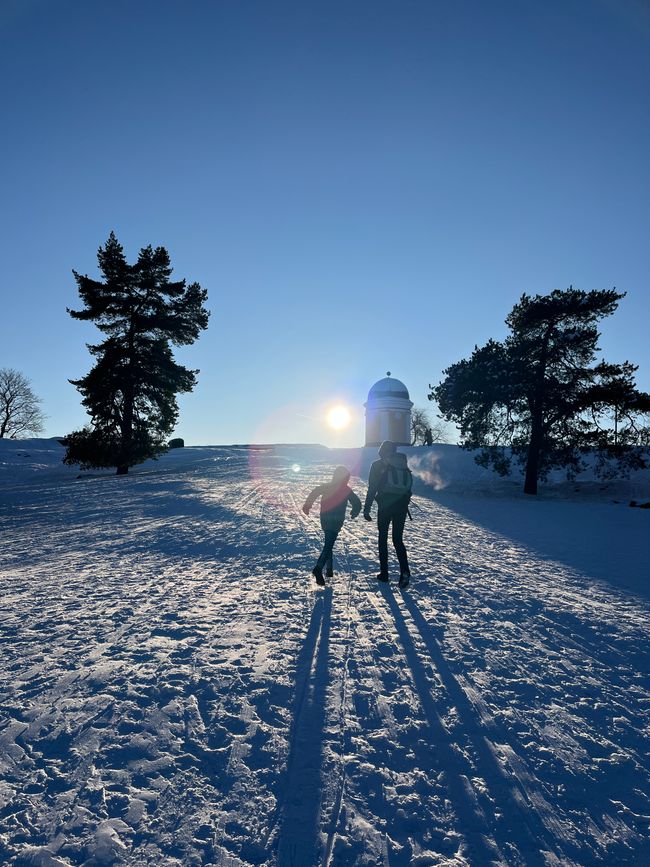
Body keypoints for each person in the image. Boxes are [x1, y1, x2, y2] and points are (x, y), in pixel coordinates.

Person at [363, 441, 412, 588]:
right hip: (401, 506)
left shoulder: (377, 465)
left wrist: (367, 508)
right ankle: (405, 572)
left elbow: (373, 487)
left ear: (381, 451)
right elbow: (408, 487)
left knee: (382, 538)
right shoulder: (402, 464)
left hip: (385, 507)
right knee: (398, 540)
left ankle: (384, 574)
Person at [302, 466, 361, 586]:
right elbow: (357, 503)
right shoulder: (346, 490)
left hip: (325, 519)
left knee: (328, 543)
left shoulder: (327, 486)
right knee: (329, 544)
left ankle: (329, 570)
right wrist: (354, 511)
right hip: (336, 521)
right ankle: (318, 569)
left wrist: (307, 505)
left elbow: (315, 492)